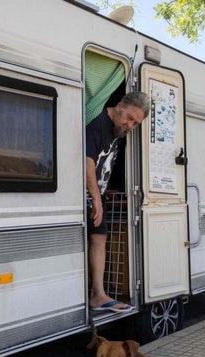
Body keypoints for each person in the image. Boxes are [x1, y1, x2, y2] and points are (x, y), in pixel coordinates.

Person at [86, 91, 151, 313]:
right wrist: (96, 197)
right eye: (130, 118)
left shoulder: (116, 131)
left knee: (99, 237)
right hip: (85, 195)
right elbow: (87, 161)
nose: (130, 125)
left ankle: (98, 293)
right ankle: (97, 294)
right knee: (98, 237)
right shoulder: (98, 123)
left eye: (136, 123)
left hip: (97, 194)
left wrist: (105, 191)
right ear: (120, 105)